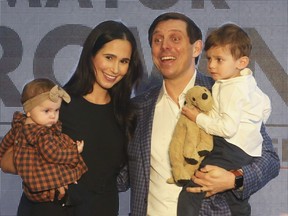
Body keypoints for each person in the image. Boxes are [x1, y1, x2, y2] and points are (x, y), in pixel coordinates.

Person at [128, 12, 280, 216]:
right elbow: (118, 175)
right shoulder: (138, 108)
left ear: (197, 48)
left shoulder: (224, 91)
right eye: (157, 40)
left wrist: (234, 178)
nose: (165, 46)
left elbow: (269, 159)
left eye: (175, 38)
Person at [1, 20, 143, 216]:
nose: (115, 69)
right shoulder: (58, 106)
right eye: (109, 57)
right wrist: (48, 172)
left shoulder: (127, 113)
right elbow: (6, 161)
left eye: (124, 61)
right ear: (91, 55)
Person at [178, 23, 272, 216]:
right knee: (233, 199)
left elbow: (229, 129)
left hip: (230, 146)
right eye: (210, 58)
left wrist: (198, 117)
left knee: (191, 190)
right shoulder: (245, 81)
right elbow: (265, 105)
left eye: (219, 59)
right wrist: (251, 123)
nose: (211, 65)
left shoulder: (229, 88)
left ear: (242, 62)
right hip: (243, 149)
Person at [0, 78, 87, 208]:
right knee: (67, 168)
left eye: (56, 110)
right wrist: (74, 151)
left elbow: (4, 145)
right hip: (44, 181)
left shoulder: (19, 126)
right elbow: (53, 154)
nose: (53, 116)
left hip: (31, 185)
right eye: (47, 111)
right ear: (28, 111)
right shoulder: (42, 134)